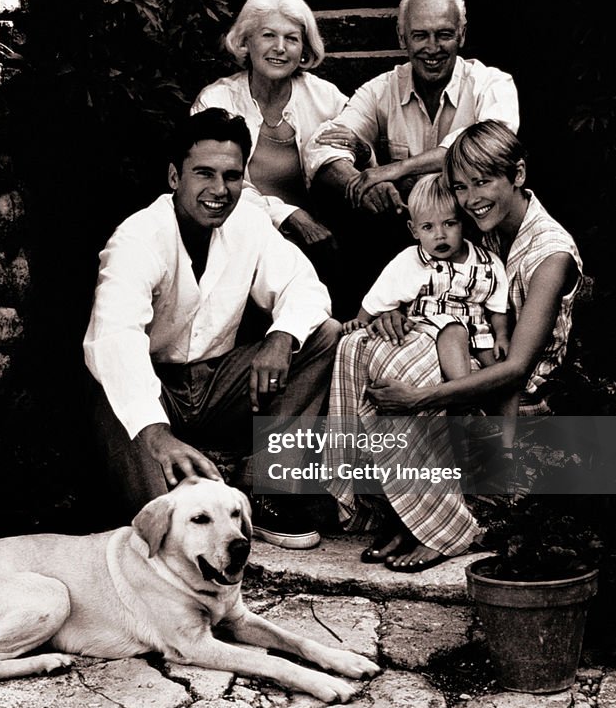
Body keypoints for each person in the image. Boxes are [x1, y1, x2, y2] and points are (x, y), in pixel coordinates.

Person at [322, 121, 582, 572]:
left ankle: (441, 527)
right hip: (466, 367)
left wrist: (419, 399)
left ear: (517, 175)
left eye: (483, 182)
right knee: (363, 347)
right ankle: (410, 513)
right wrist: (395, 312)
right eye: (461, 187)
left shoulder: (550, 253)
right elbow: (441, 287)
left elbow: (517, 368)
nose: (471, 198)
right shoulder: (484, 226)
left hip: (517, 398)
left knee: (408, 382)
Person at [84, 107, 341, 549]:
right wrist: (156, 435)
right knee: (164, 540)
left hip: (218, 386)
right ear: (173, 177)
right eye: (204, 174)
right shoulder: (137, 239)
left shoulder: (248, 222)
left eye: (232, 176)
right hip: (149, 392)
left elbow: (304, 286)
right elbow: (115, 340)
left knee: (321, 334)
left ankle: (266, 492)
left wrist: (281, 337)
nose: (219, 190)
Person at [304, 0, 519, 217]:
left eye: (444, 34)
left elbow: (489, 142)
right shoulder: (380, 90)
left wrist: (396, 169)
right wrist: (363, 184)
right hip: (408, 228)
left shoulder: (493, 83)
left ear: (462, 35)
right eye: (420, 36)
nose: (433, 47)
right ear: (401, 37)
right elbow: (319, 146)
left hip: (478, 224)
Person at [190, 0, 360, 255]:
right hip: (238, 239)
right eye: (268, 35)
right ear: (246, 42)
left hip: (322, 239)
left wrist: (364, 148)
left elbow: (365, 155)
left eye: (291, 38)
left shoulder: (326, 97)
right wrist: (288, 215)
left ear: (304, 48)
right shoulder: (217, 101)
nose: (280, 48)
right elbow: (210, 182)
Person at [342, 174, 513, 435]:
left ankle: (506, 442)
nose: (439, 235)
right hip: (431, 327)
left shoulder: (488, 263)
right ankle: (464, 405)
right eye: (428, 227)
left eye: (449, 224)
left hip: (478, 334)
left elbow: (497, 308)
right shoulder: (412, 260)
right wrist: (361, 321)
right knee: (453, 328)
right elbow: (378, 298)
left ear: (463, 224)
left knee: (504, 376)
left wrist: (501, 336)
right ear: (413, 230)